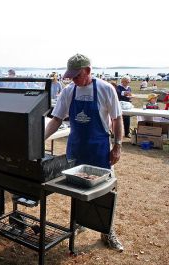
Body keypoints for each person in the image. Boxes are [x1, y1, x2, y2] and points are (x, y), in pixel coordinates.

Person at [45, 54, 124, 252]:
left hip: (98, 148)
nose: (73, 80)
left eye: (77, 75)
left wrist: (118, 145)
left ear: (88, 70)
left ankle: (107, 231)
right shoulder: (68, 91)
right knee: (76, 190)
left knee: (105, 192)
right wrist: (39, 138)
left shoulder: (106, 89)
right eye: (70, 76)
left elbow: (117, 119)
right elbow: (56, 120)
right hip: (77, 148)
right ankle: (79, 222)